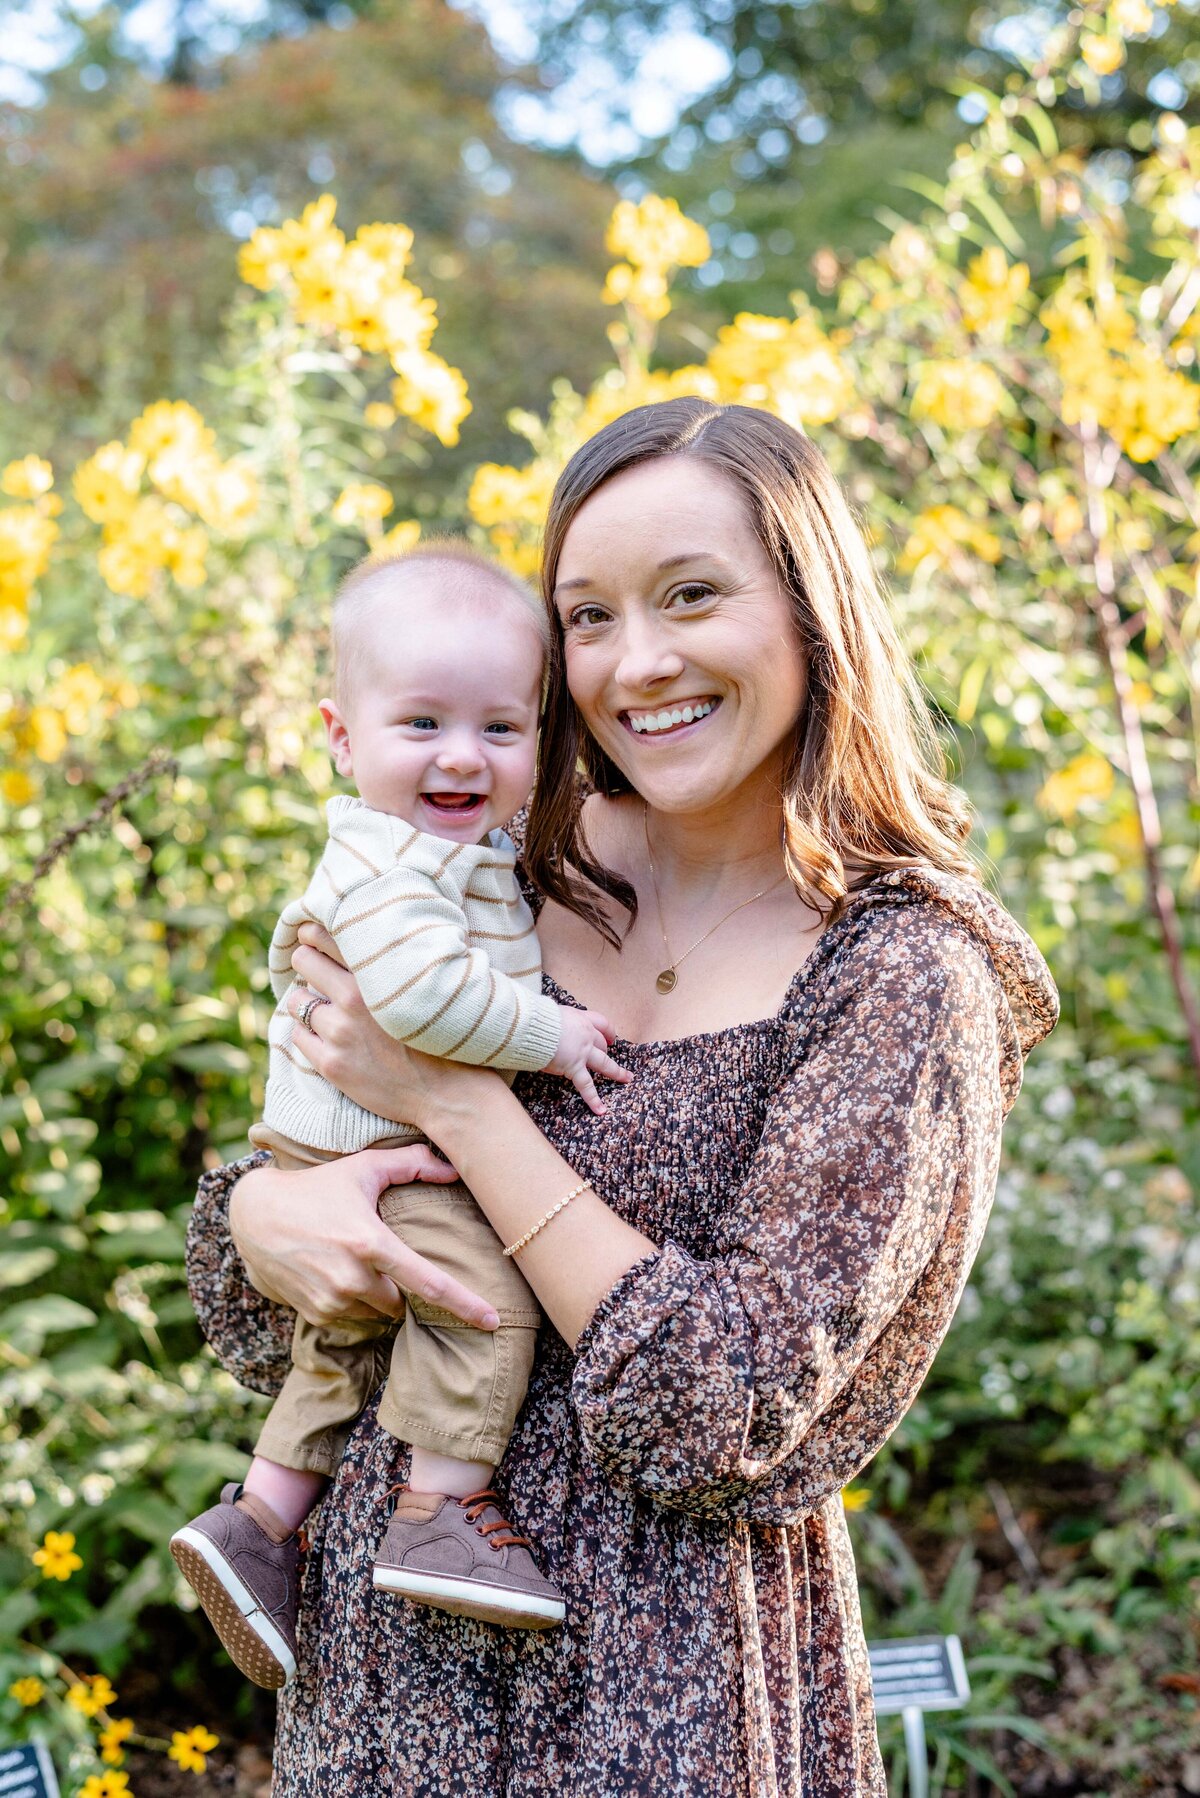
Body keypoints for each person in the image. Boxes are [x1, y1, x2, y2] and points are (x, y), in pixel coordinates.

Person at [185, 398, 1059, 1796]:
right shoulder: (496, 860)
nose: (636, 662)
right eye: (587, 616)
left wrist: (466, 1107)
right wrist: (267, 1219)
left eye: (692, 597)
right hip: (381, 1679)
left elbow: (718, 1407)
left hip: (666, 1698)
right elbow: (275, 1250)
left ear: (811, 612)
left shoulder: (902, 974)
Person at [171, 544, 630, 1689]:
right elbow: (422, 1001)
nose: (462, 757)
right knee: (478, 1297)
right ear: (340, 736)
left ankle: (261, 1523)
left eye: (500, 728)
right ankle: (442, 1502)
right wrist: (549, 1034)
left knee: (349, 1339)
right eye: (420, 724)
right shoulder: (390, 868)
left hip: (345, 1141)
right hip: (361, 1143)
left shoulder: (460, 855)